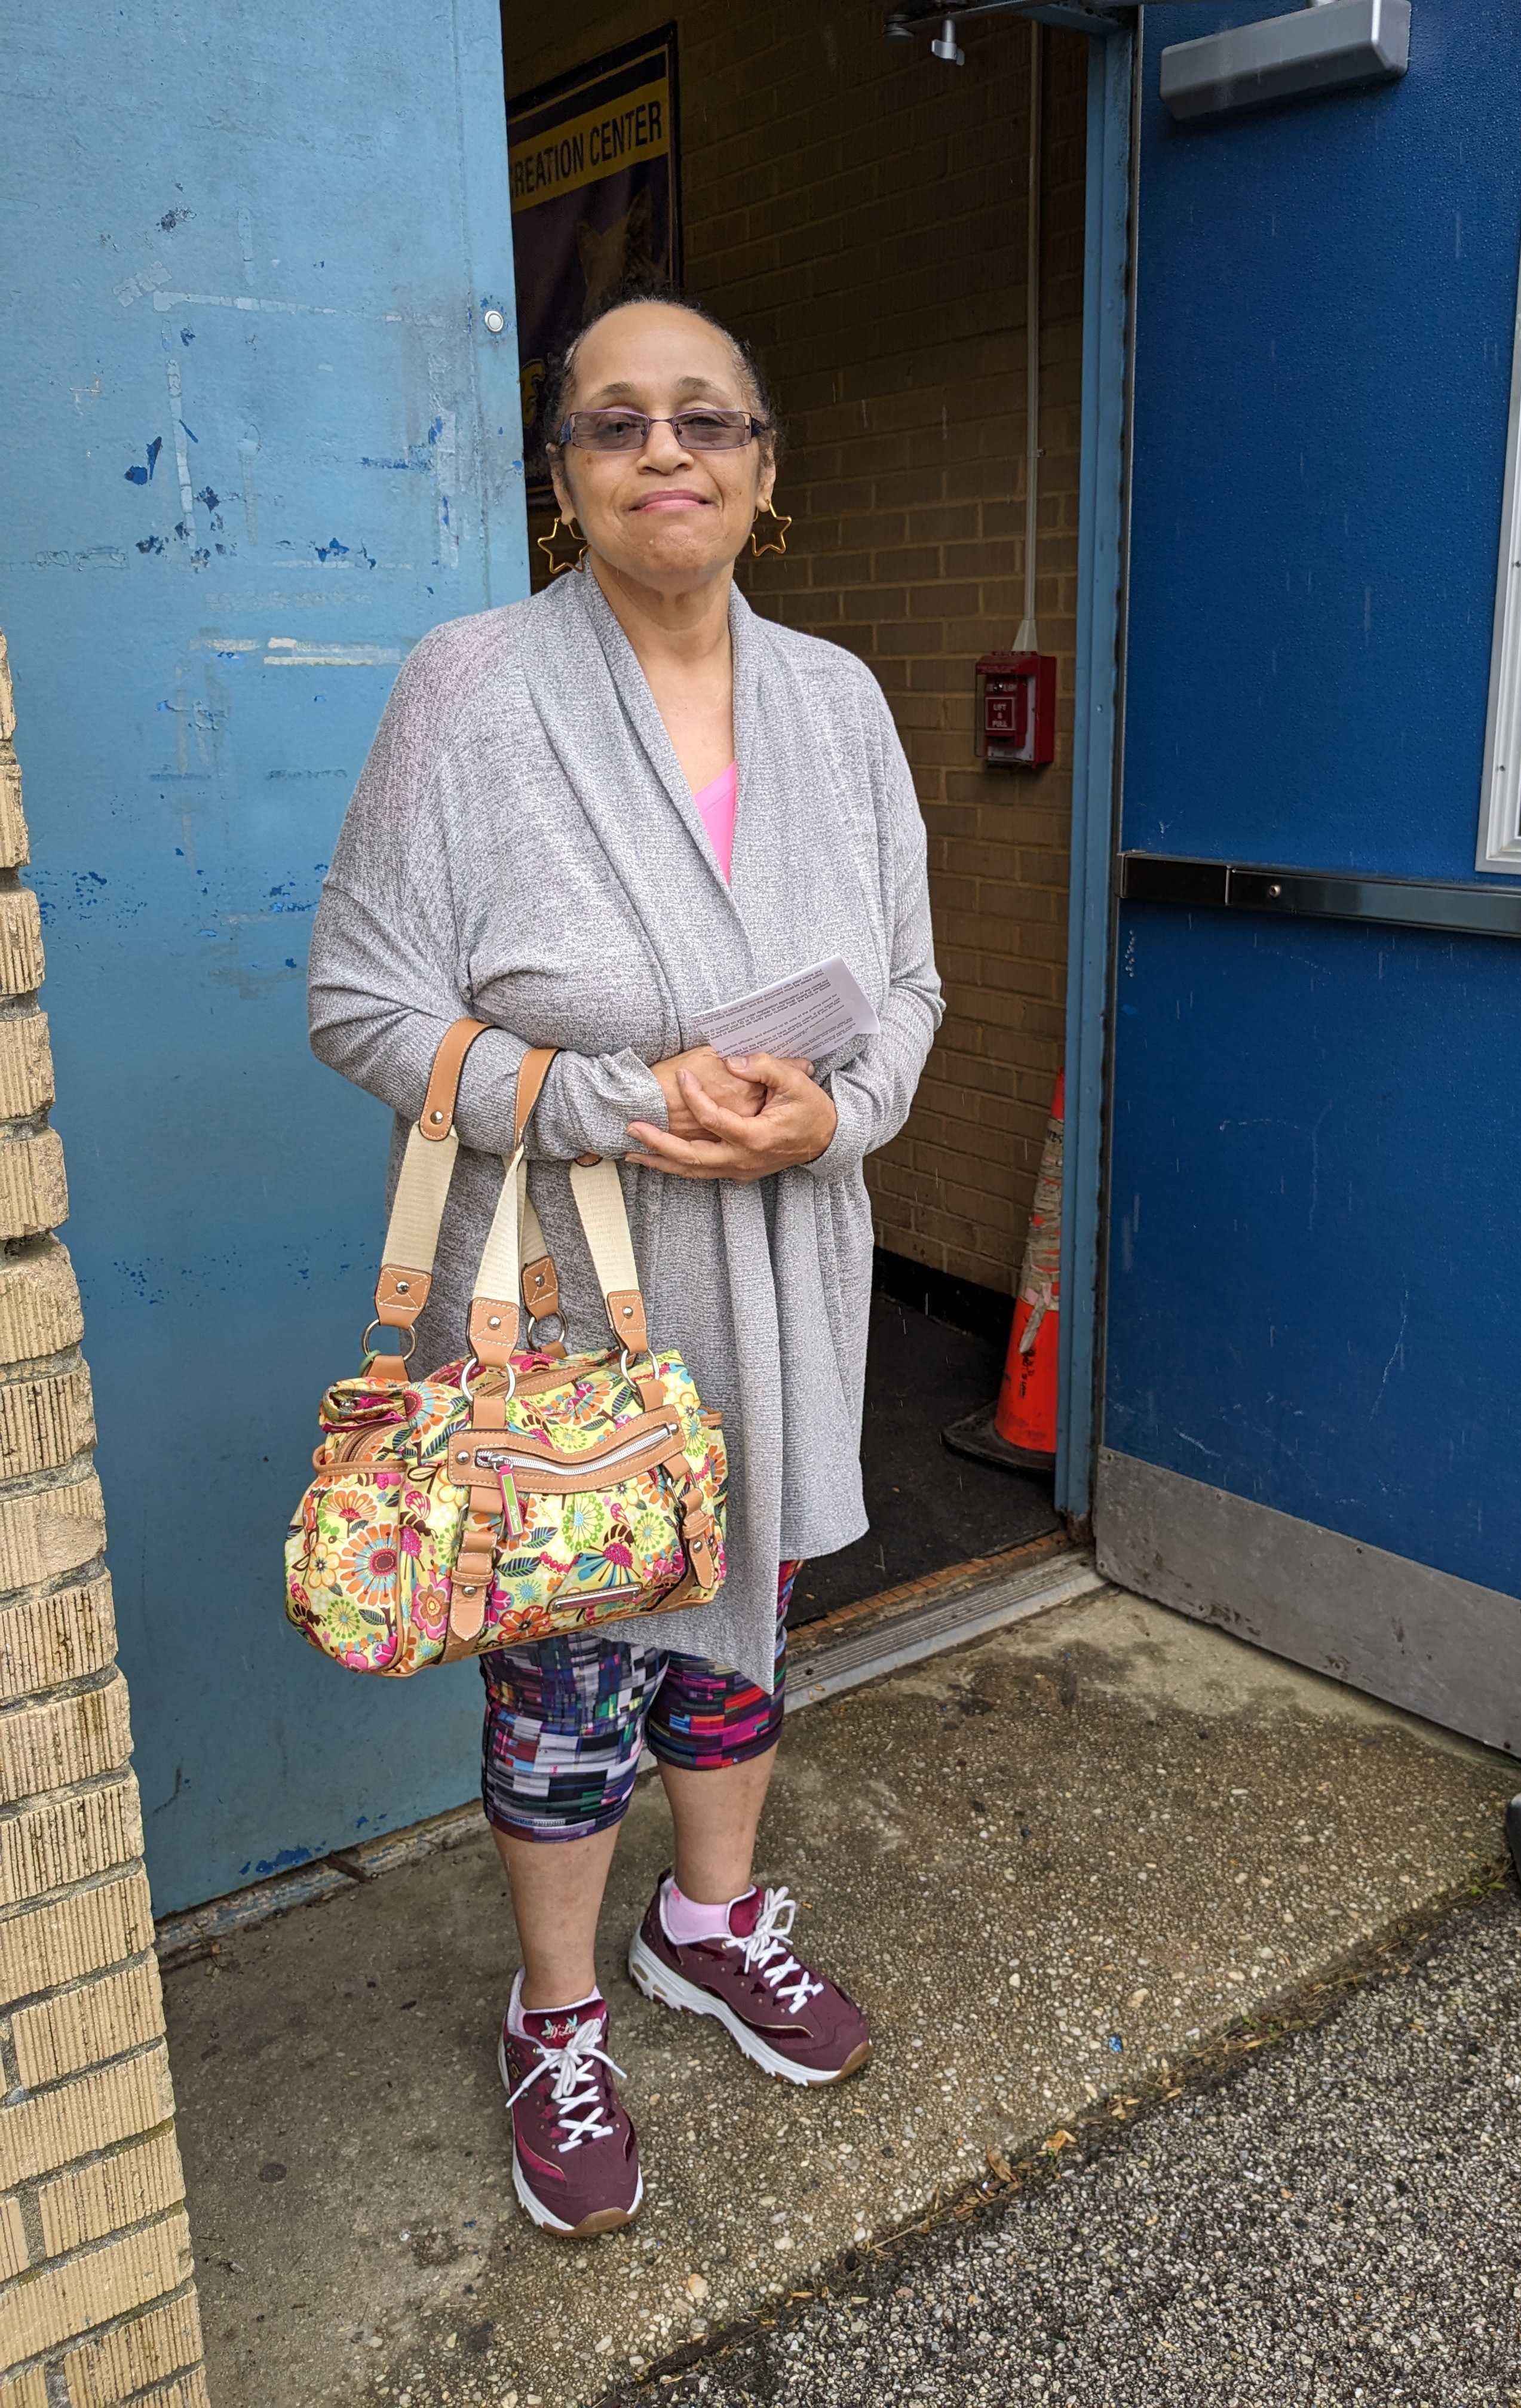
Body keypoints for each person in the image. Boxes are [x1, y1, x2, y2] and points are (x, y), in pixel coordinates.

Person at [308, 284, 942, 2238]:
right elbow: (360, 1002)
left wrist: (834, 1118)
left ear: (766, 468)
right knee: (572, 1681)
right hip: (573, 1305)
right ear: (563, 475)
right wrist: (594, 1097)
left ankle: (710, 1920)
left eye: (706, 420)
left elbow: (909, 995)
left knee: (743, 1636)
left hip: (781, 1270)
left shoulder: (837, 700)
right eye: (616, 424)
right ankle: (559, 2010)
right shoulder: (472, 688)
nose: (665, 451)